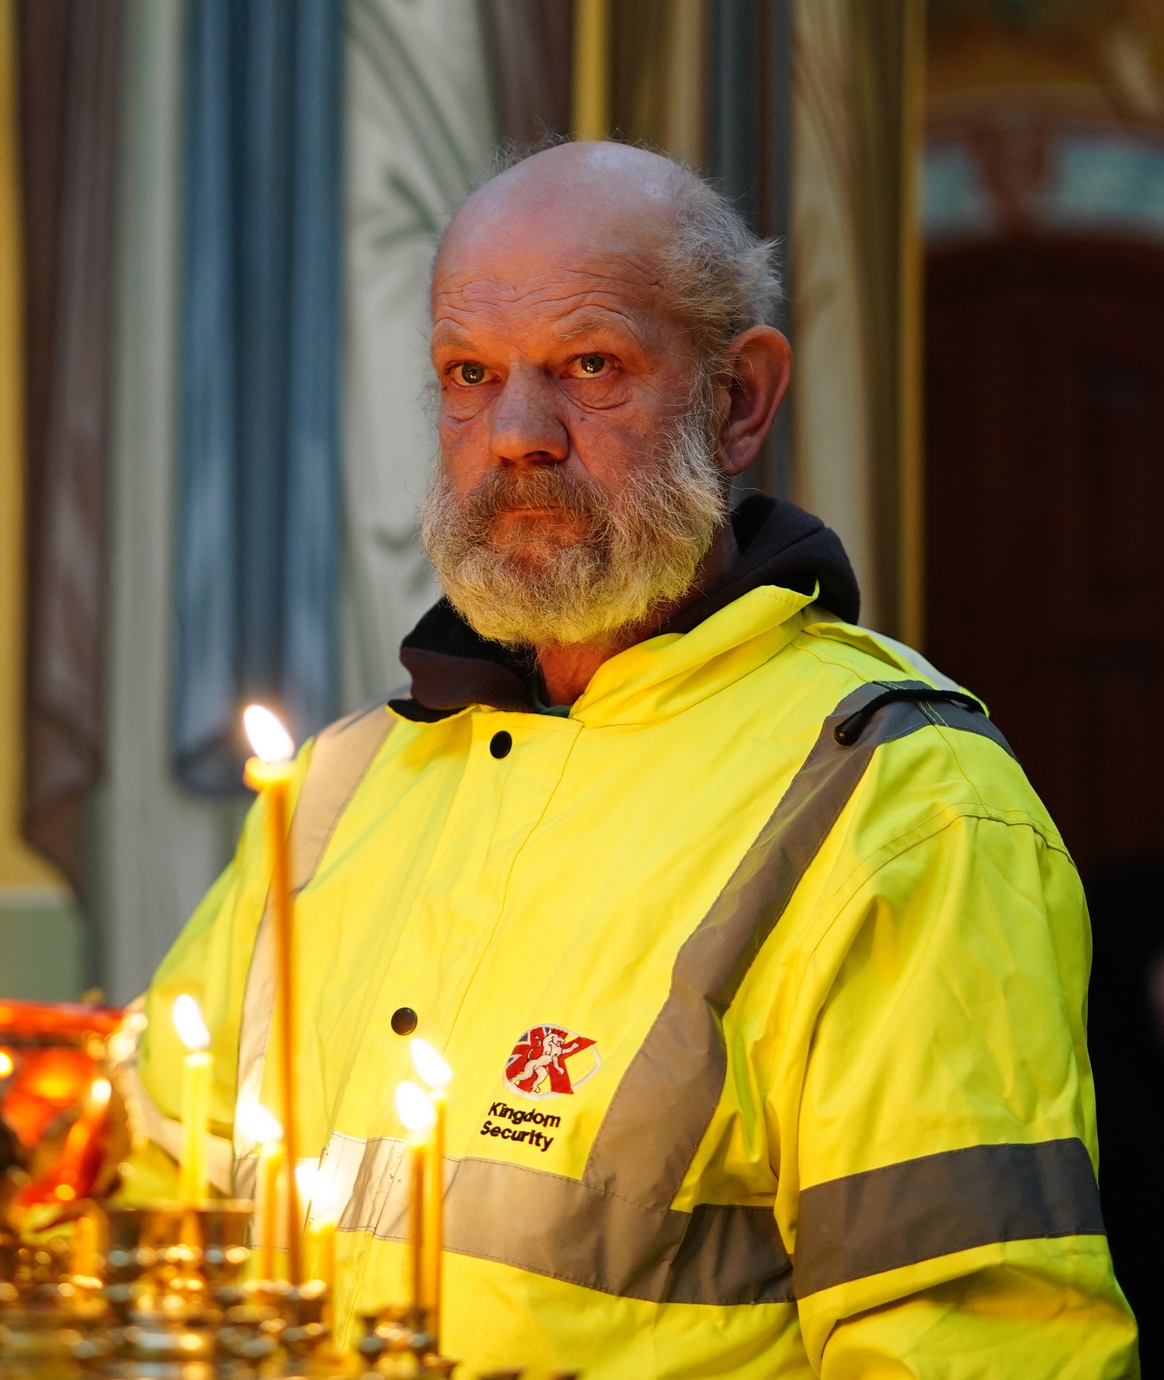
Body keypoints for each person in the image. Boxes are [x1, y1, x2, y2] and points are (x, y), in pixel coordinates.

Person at [130, 142, 1138, 1375]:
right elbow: (135, 1191)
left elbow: (971, 1350)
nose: (513, 434)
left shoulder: (898, 802)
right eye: (467, 373)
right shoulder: (334, 788)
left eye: (587, 366)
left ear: (736, 400)